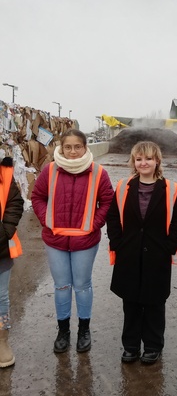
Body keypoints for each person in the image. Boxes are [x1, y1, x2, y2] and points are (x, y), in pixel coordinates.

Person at [31, 129, 113, 354]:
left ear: (85, 147)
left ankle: (84, 330)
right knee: (62, 286)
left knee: (83, 285)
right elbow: (37, 196)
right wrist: (47, 220)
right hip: (55, 239)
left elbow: (107, 201)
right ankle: (63, 330)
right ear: (61, 147)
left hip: (85, 241)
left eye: (78, 147)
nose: (73, 151)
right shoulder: (50, 171)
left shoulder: (98, 173)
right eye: (68, 147)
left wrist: (93, 224)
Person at [107, 141, 177, 364]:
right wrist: (117, 244)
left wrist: (169, 246)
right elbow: (113, 217)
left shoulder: (171, 188)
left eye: (149, 158)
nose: (144, 163)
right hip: (129, 255)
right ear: (133, 162)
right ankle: (130, 346)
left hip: (157, 256)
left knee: (154, 303)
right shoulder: (123, 187)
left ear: (157, 161)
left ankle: (153, 345)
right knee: (130, 303)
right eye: (139, 159)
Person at [0, 155, 24, 368]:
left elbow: (15, 201)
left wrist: (5, 231)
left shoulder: (4, 172)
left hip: (0, 248)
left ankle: (1, 341)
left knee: (0, 296)